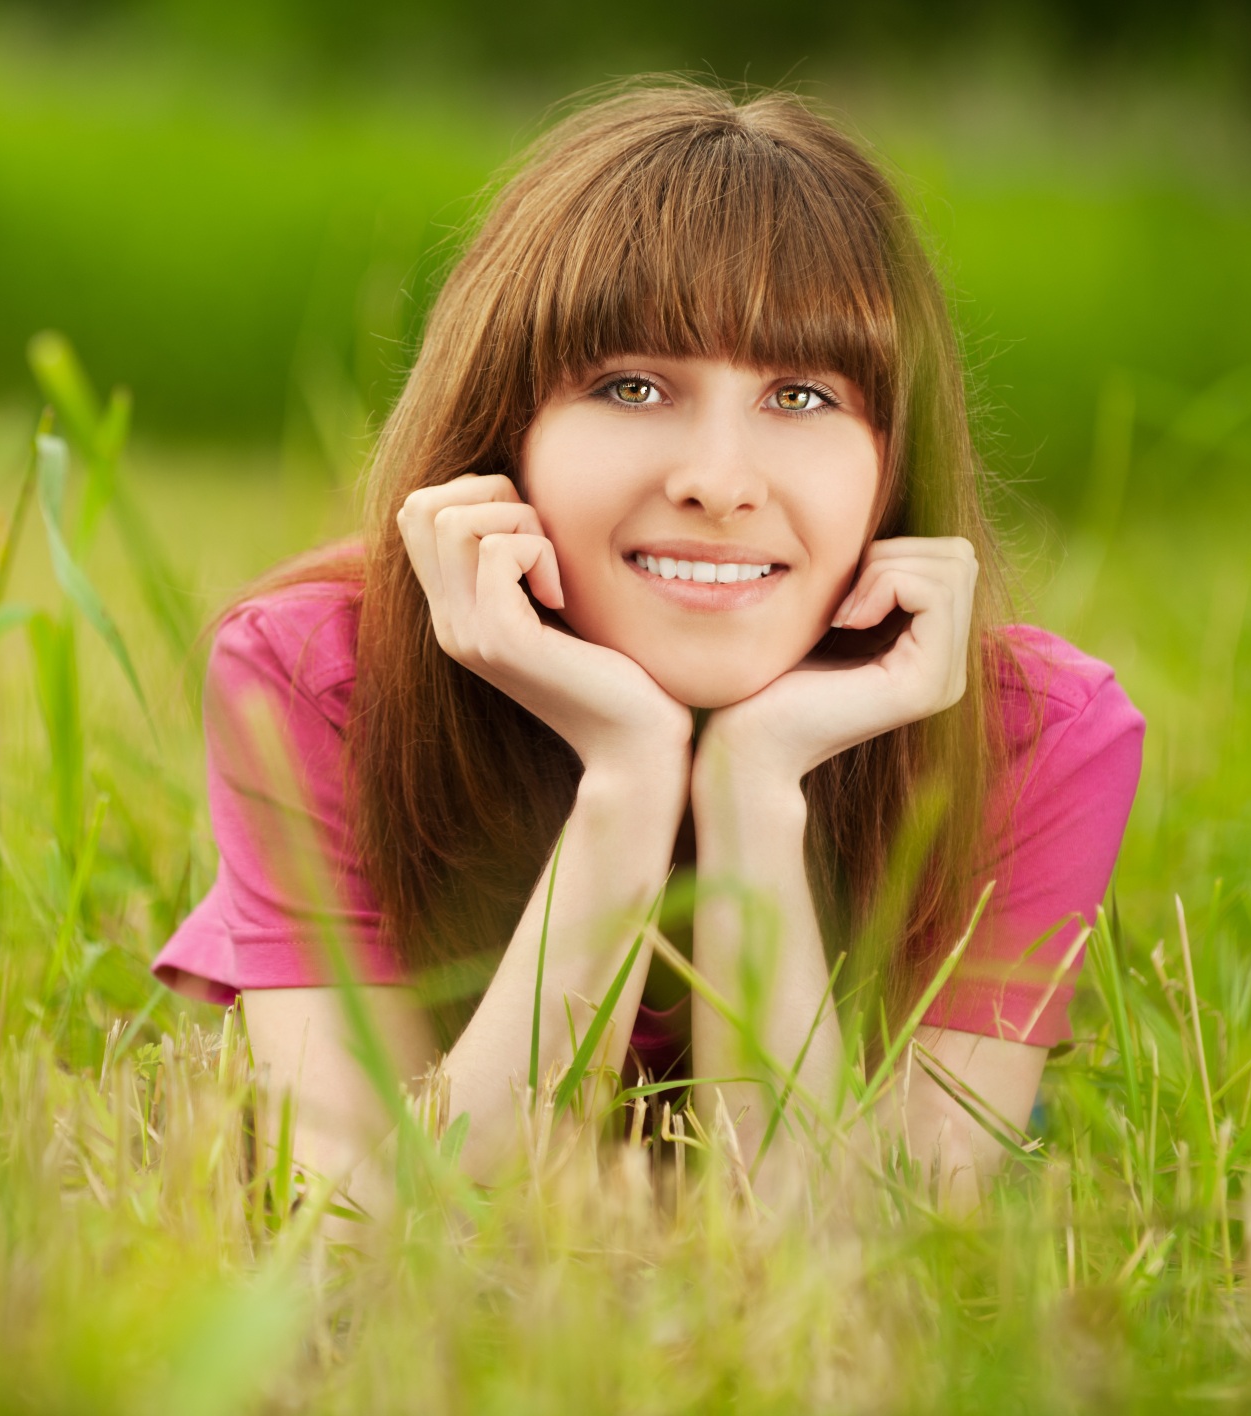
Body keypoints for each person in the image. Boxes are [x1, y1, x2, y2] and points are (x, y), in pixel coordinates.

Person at [151, 81, 1144, 1212]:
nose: (716, 482)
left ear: (895, 455)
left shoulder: (1038, 738)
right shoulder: (315, 676)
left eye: (804, 397)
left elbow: (864, 1271)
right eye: (631, 386)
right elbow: (360, 1230)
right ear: (502, 432)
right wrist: (627, 773)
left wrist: (754, 784)